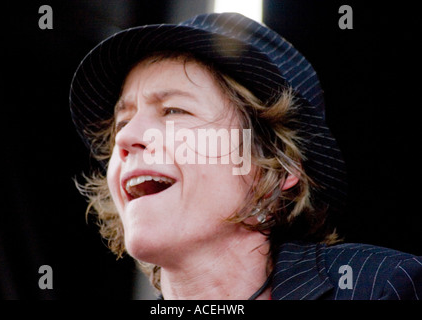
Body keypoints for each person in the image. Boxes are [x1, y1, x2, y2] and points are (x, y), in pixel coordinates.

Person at [69, 12, 422, 300]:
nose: (126, 138)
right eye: (123, 122)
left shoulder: (384, 287)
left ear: (278, 163)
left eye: (174, 111)